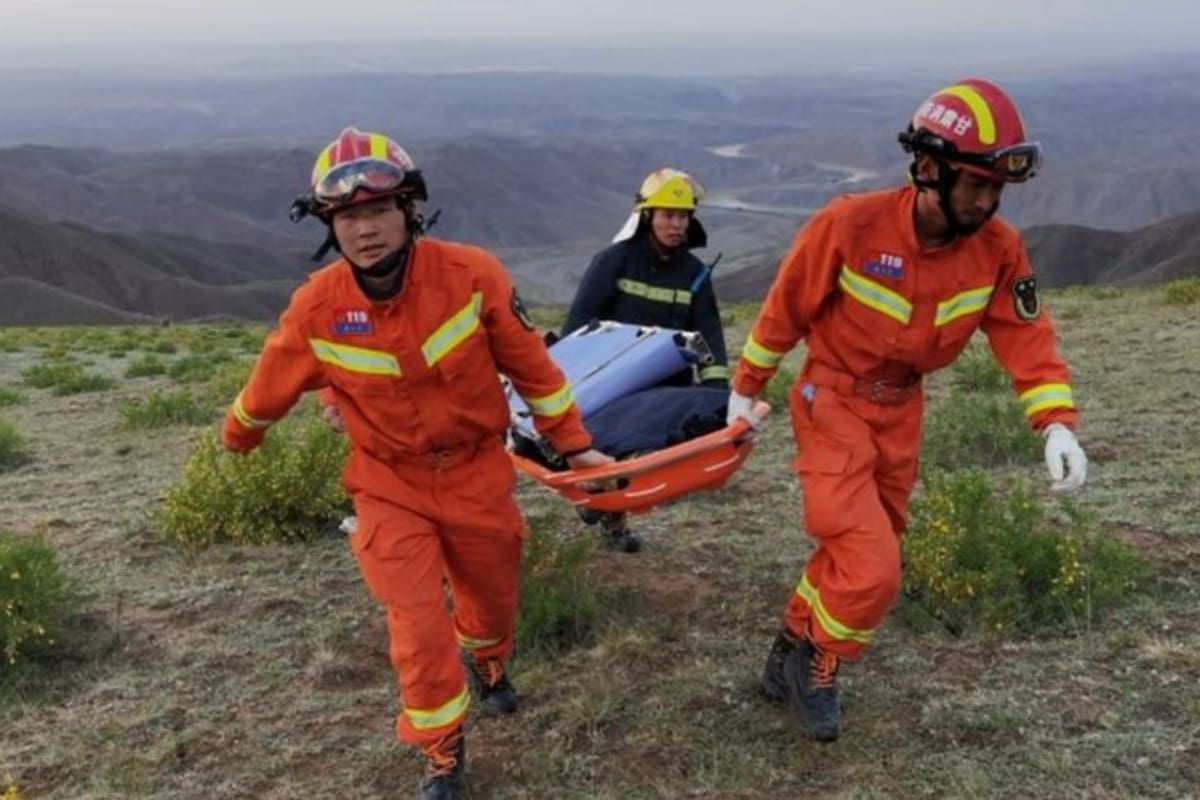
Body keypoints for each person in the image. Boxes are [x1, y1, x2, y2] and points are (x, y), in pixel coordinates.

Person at [221, 127, 611, 799]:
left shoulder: (471, 276)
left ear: (409, 212)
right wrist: (238, 440)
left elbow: (534, 370)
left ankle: (488, 666)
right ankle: (441, 753)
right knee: (417, 622)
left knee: (491, 600)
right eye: (347, 217)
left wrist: (575, 445)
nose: (364, 229)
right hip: (386, 483)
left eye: (377, 211)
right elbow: (269, 385)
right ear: (329, 226)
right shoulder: (317, 307)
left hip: (476, 473)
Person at [726, 78, 1088, 743]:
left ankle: (786, 650)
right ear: (928, 169)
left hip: (902, 413)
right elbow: (785, 308)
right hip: (830, 400)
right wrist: (746, 387)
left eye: (995, 189)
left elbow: (1024, 336)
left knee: (857, 551)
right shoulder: (849, 225)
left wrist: (1056, 422)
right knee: (872, 568)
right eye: (974, 184)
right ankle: (820, 663)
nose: (986, 201)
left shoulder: (998, 248)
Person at [560, 167, 730, 552]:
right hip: (612, 381)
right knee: (610, 450)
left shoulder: (695, 274)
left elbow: (710, 334)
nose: (676, 225)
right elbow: (578, 325)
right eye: (668, 215)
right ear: (647, 216)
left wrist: (718, 394)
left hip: (666, 385)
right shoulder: (614, 261)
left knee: (642, 455)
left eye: (683, 216)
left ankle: (609, 511)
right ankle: (607, 513)